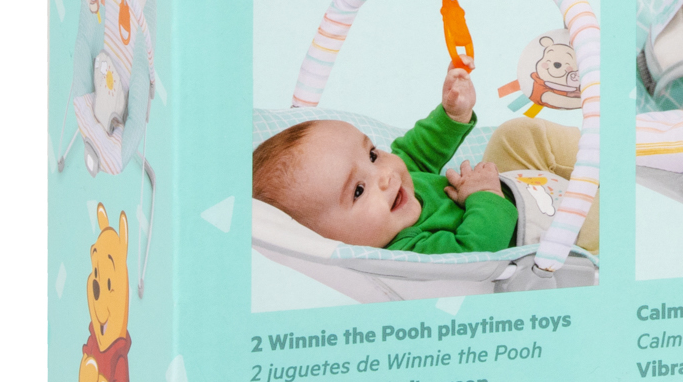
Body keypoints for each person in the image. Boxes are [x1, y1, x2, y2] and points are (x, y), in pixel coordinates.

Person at [251, 58, 602, 253]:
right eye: (358, 190)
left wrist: (451, 115)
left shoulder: (396, 191)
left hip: (520, 185)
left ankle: (607, 148)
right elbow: (476, 249)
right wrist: (483, 194)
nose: (385, 176)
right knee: (598, 219)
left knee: (515, 135)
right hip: (548, 227)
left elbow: (413, 153)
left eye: (372, 155)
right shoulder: (408, 251)